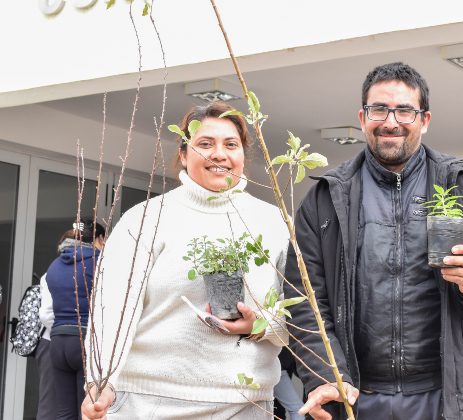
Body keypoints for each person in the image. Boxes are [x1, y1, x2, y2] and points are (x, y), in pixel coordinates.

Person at [284, 62, 463, 420]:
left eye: (404, 110)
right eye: (379, 109)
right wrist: (324, 375)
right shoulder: (325, 199)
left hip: (445, 396)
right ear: (363, 118)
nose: (390, 121)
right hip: (353, 396)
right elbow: (304, 300)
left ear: (424, 120)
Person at [80, 101, 289, 419]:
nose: (219, 154)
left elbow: (305, 314)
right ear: (183, 153)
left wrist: (260, 325)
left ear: (243, 154)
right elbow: (112, 308)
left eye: (230, 144)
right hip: (148, 403)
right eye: (205, 144)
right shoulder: (146, 219)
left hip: (245, 406)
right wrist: (101, 381)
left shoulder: (274, 222)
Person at [46, 220, 106, 420]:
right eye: (104, 239)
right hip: (83, 340)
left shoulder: (54, 265)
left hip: (58, 341)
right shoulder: (99, 261)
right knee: (86, 411)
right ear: (97, 238)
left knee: (64, 411)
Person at [37, 229, 78, 420]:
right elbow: (46, 314)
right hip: (53, 342)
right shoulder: (52, 273)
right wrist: (66, 330)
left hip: (60, 340)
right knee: (51, 404)